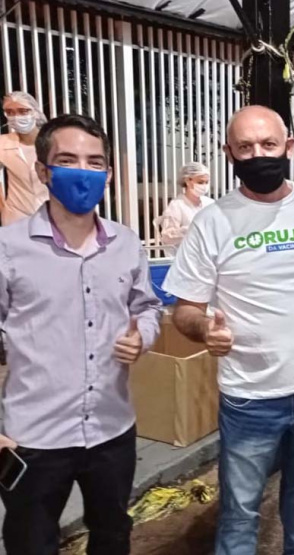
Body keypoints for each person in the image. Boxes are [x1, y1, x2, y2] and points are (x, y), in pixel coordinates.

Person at [163, 105, 294, 554]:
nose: (258, 154)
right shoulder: (212, 222)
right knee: (240, 515)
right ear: (229, 154)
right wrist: (204, 329)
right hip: (250, 400)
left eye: (268, 144)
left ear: (289, 147)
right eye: (245, 147)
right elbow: (183, 311)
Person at [0, 114, 162, 554]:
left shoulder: (126, 243)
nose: (83, 172)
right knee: (30, 542)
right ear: (43, 171)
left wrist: (142, 336)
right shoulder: (8, 248)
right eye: (68, 160)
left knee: (112, 535)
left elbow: (147, 308)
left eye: (95, 162)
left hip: (112, 429)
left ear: (108, 174)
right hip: (33, 437)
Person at [1, 91, 48, 226]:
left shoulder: (53, 141)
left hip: (51, 215)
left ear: (35, 111)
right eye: (10, 112)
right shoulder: (2, 143)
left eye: (23, 111)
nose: (16, 117)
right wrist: (3, 207)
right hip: (15, 217)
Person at [158, 161, 214, 255]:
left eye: (206, 182)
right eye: (200, 182)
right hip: (187, 257)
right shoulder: (177, 206)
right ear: (188, 181)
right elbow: (167, 237)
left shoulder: (210, 203)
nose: (204, 186)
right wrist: (191, 230)